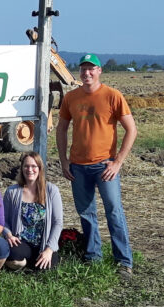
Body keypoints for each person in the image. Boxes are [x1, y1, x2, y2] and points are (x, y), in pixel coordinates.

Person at [56, 53, 137, 281]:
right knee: (86, 213)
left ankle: (124, 261)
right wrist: (64, 161)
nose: (87, 73)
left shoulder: (113, 96)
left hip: (105, 167)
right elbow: (61, 129)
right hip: (78, 167)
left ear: (99, 71)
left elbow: (131, 129)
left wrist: (118, 161)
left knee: (114, 212)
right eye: (83, 69)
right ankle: (93, 257)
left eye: (91, 69)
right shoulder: (71, 97)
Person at [3, 151, 64, 271]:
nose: (30, 169)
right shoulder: (12, 192)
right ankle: (22, 264)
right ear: (22, 169)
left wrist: (49, 250)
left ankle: (30, 265)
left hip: (44, 242)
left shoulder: (51, 190)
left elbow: (58, 222)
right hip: (21, 241)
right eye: (26, 166)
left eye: (33, 166)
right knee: (14, 257)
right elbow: (3, 220)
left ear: (40, 169)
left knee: (46, 268)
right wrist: (8, 235)